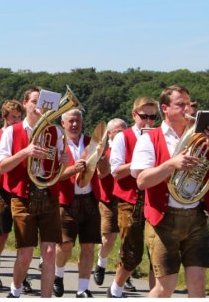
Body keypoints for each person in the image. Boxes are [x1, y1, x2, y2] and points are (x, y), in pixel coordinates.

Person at [131, 85, 209, 297]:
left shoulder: (202, 136)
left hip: (196, 216)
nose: (188, 108)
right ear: (164, 108)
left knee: (198, 285)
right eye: (181, 104)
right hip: (163, 218)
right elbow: (141, 181)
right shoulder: (149, 138)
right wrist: (171, 164)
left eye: (188, 103)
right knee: (165, 287)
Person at [0, 86, 68, 298]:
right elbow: (1, 166)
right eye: (35, 102)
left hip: (49, 196)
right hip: (23, 198)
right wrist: (25, 152)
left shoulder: (55, 131)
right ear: (25, 104)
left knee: (48, 253)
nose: (39, 107)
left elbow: (57, 172)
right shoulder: (12, 131)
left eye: (44, 103)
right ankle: (15, 290)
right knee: (25, 254)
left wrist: (63, 163)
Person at [53, 108, 109, 298]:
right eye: (71, 121)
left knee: (88, 246)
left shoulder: (91, 143)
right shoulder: (57, 144)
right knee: (65, 245)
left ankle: (82, 289)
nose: (75, 124)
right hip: (66, 201)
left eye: (77, 121)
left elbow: (105, 172)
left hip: (90, 200)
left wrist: (101, 158)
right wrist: (72, 170)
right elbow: (54, 177)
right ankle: (58, 275)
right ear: (63, 123)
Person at [106, 96, 159, 298]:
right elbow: (116, 172)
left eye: (153, 117)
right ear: (134, 115)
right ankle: (116, 289)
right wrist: (139, 160)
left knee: (158, 254)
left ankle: (156, 294)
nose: (148, 121)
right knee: (132, 253)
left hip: (154, 199)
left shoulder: (158, 136)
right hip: (129, 201)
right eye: (144, 116)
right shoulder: (123, 137)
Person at [0, 100, 30, 290]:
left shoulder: (24, 134)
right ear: (4, 117)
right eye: (13, 118)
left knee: (23, 234)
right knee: (3, 233)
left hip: (20, 187)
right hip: (1, 188)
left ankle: (22, 275)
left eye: (19, 118)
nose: (16, 122)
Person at [92, 117, 127, 288]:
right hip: (108, 198)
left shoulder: (130, 149)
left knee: (127, 240)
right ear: (110, 134)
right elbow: (100, 174)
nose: (121, 134)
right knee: (108, 238)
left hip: (126, 197)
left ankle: (126, 275)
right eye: (117, 131)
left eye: (123, 130)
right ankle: (101, 264)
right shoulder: (104, 150)